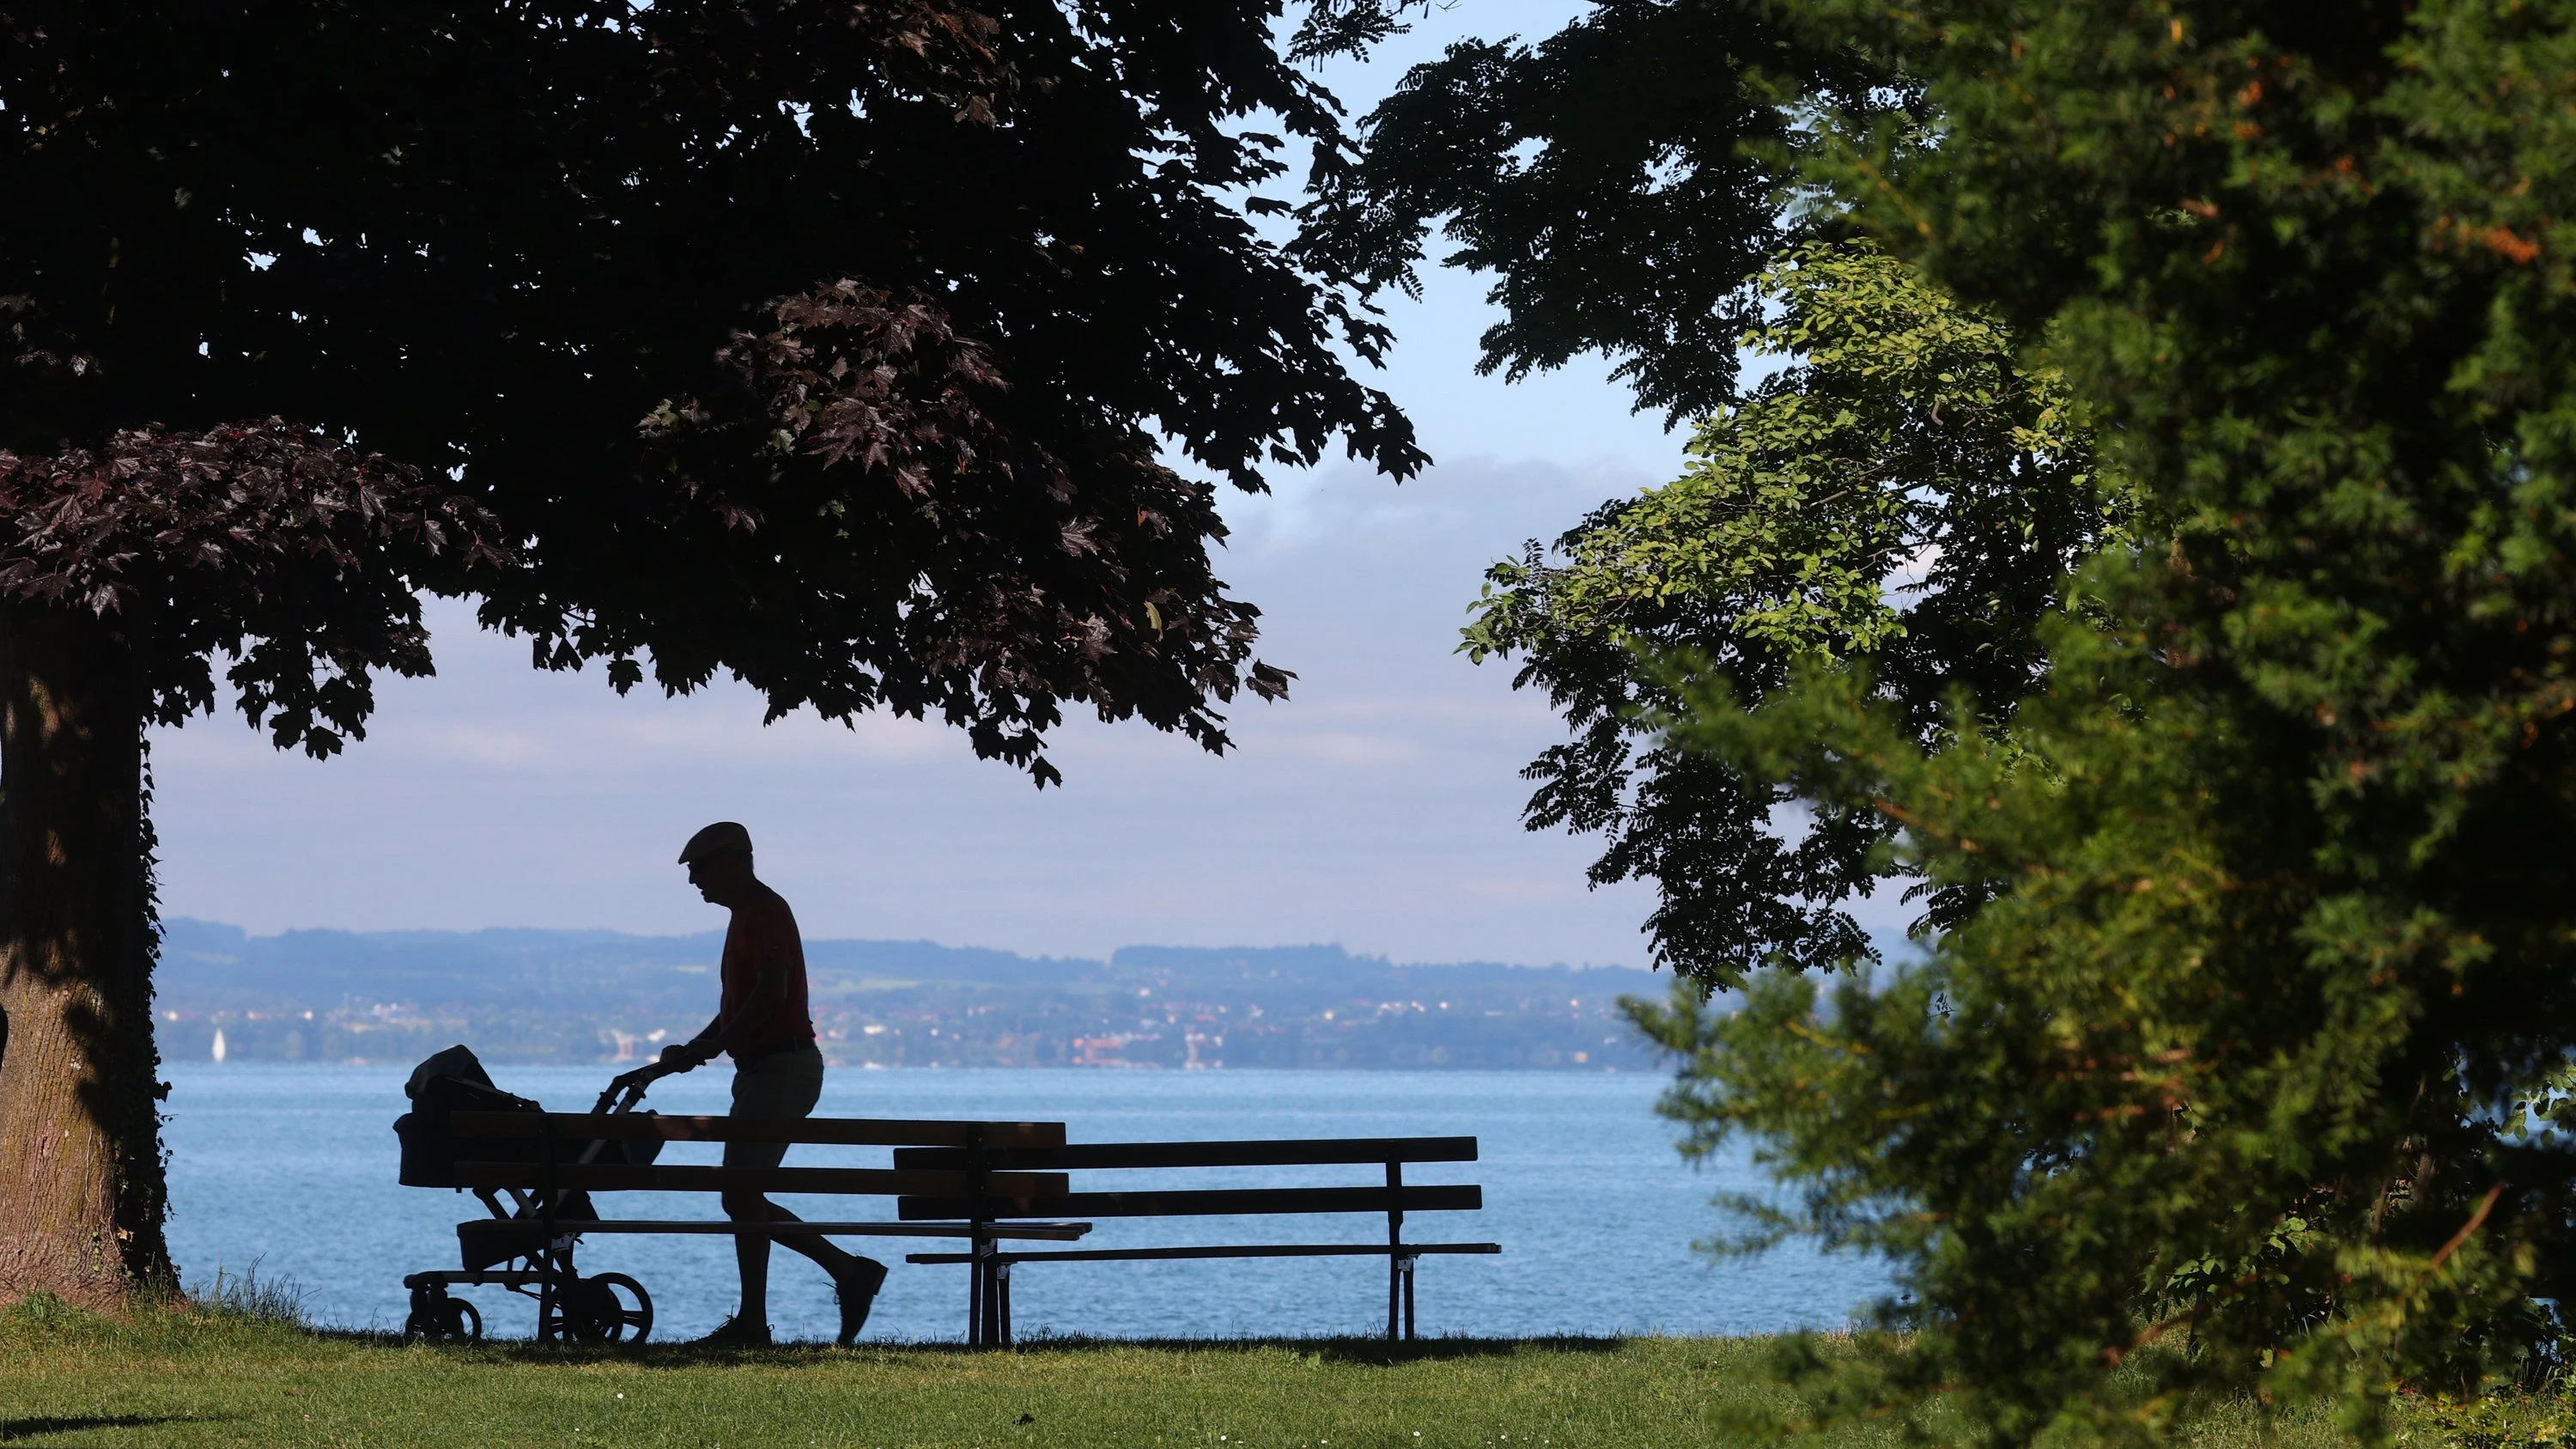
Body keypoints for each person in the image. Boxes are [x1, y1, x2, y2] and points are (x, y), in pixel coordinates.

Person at [611, 821, 887, 1346]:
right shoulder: (747, 917)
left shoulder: (763, 912)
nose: (693, 881)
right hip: (764, 1070)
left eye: (698, 869)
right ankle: (793, 1301)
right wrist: (696, 1047)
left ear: (732, 862)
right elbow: (739, 1009)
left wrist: (712, 1047)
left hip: (781, 1068)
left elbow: (770, 995)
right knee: (741, 1193)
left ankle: (830, 1282)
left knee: (739, 1192)